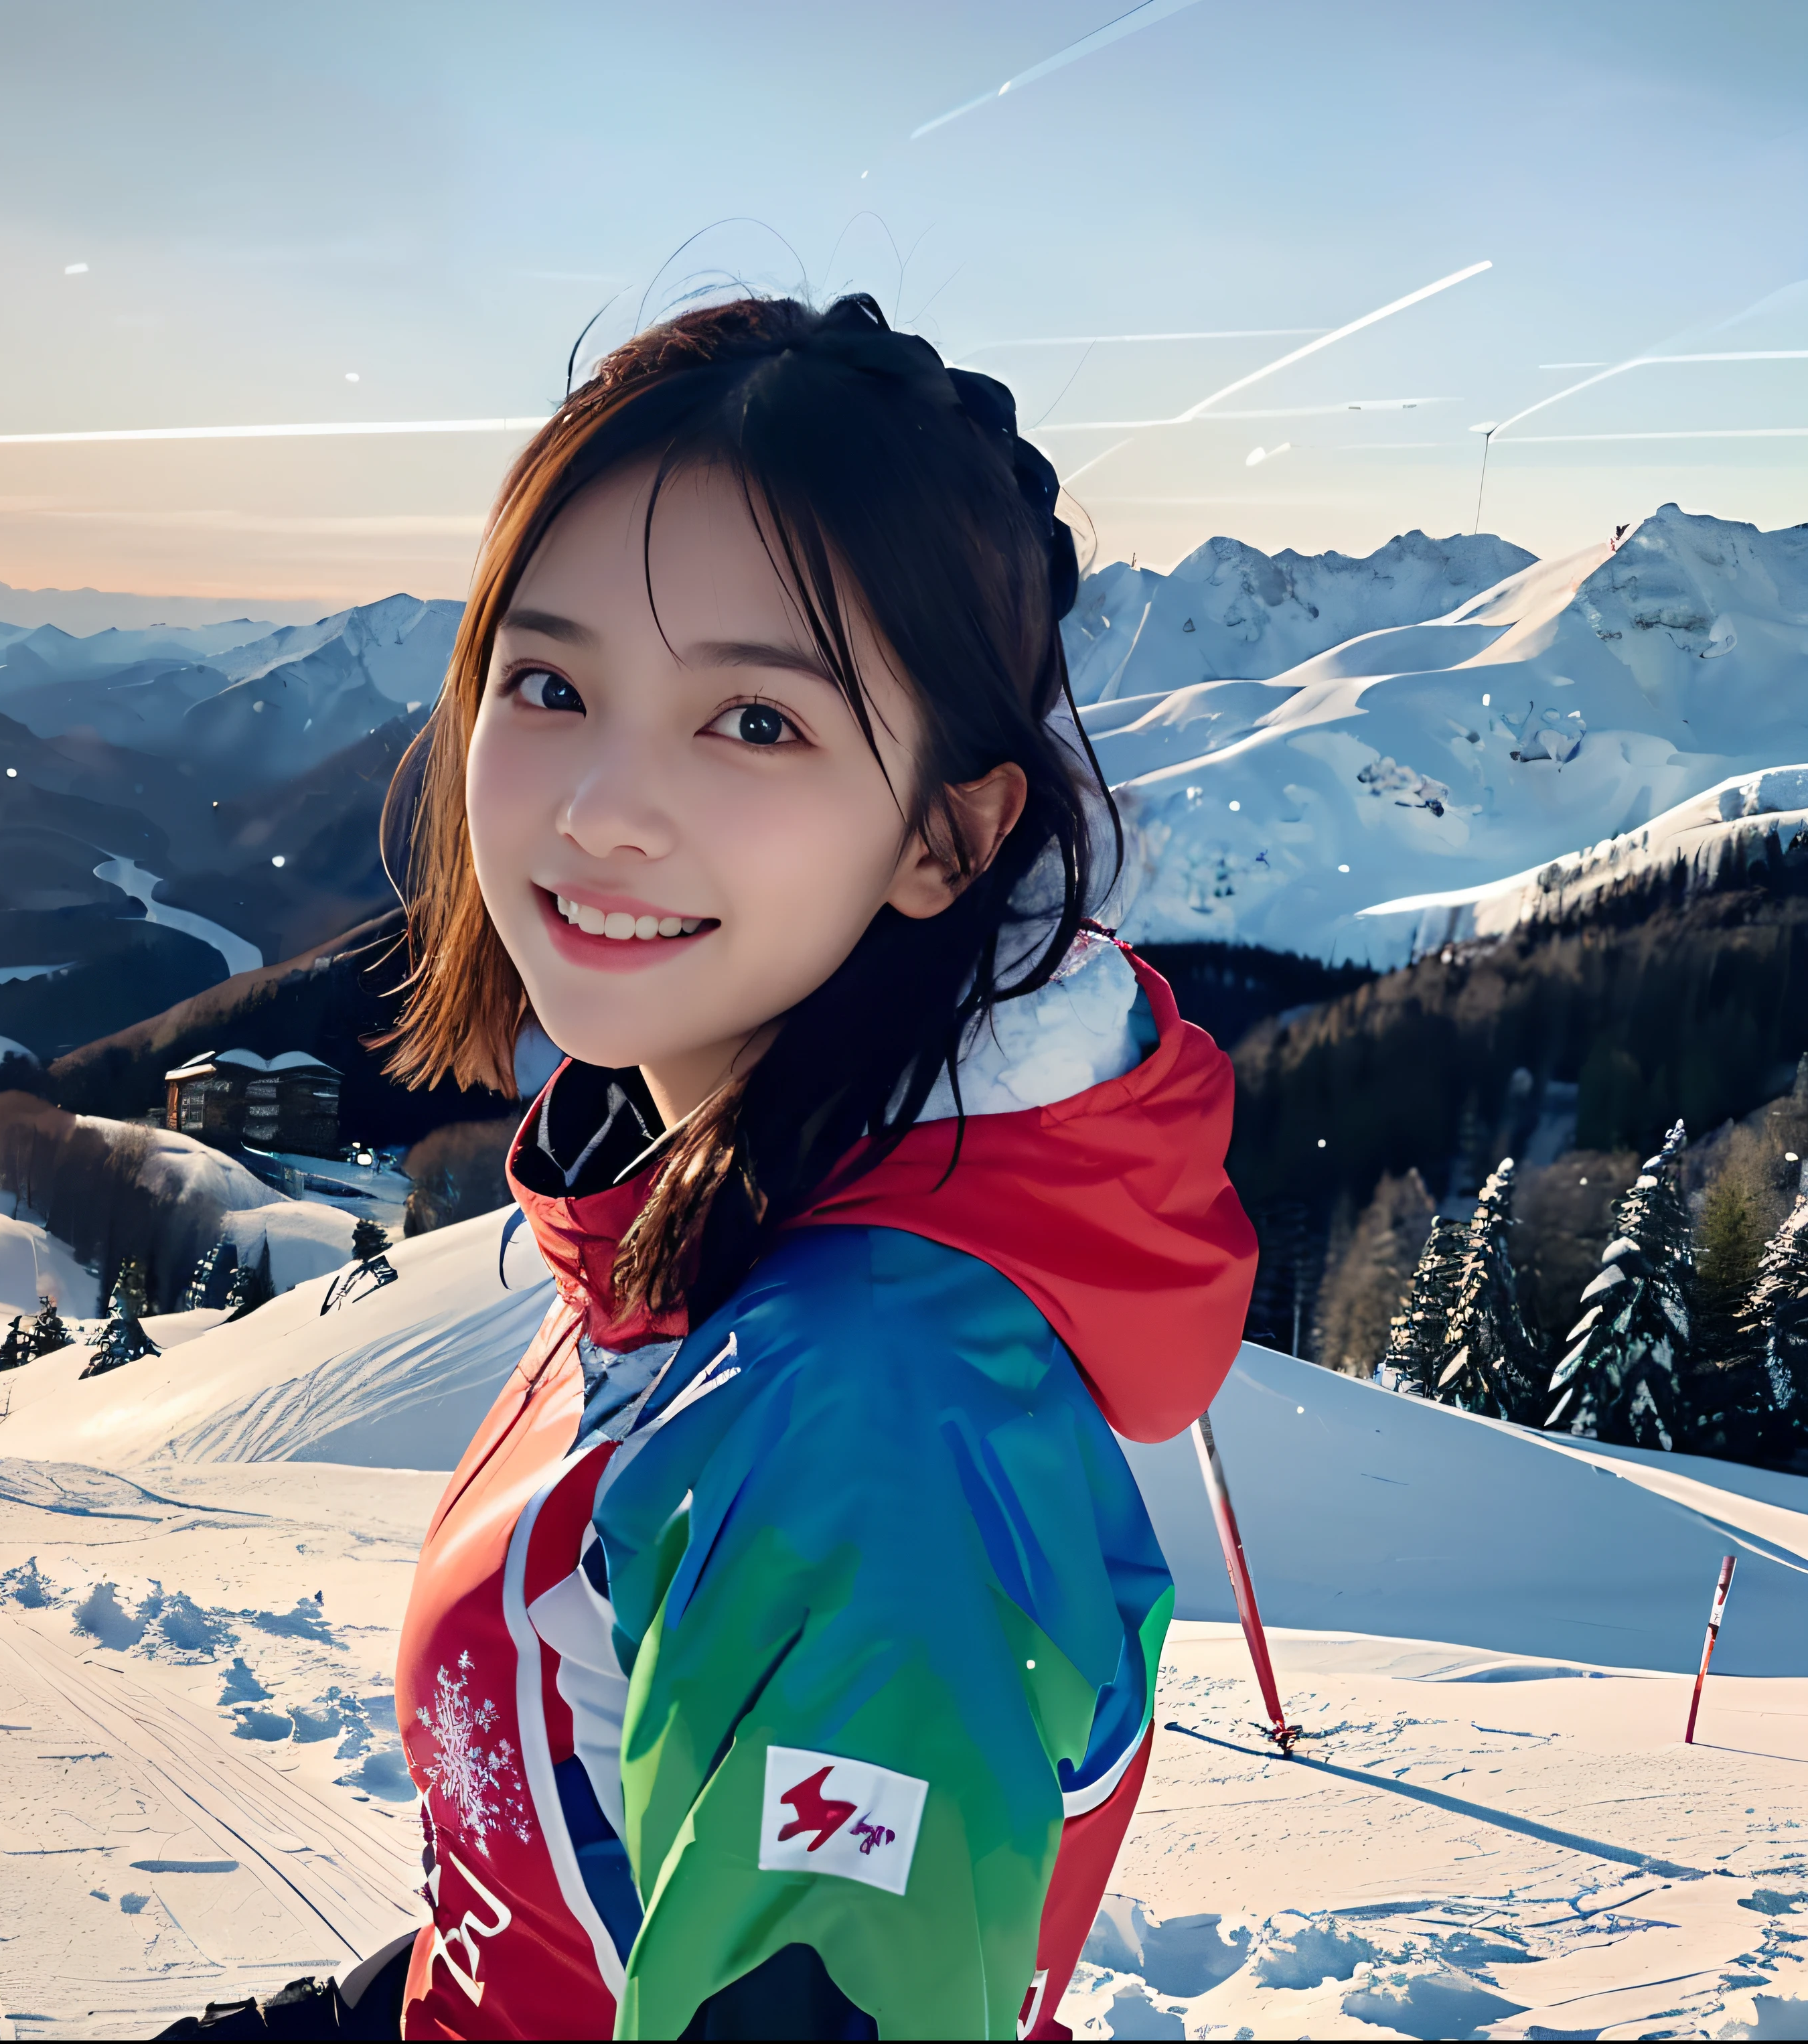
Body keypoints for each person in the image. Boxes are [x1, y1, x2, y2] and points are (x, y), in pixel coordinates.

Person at [354, 295, 1253, 2041]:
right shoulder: (709, 1231)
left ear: (942, 832)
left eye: (752, 721)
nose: (601, 804)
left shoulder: (862, 1405)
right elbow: (568, 1878)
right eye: (547, 682)